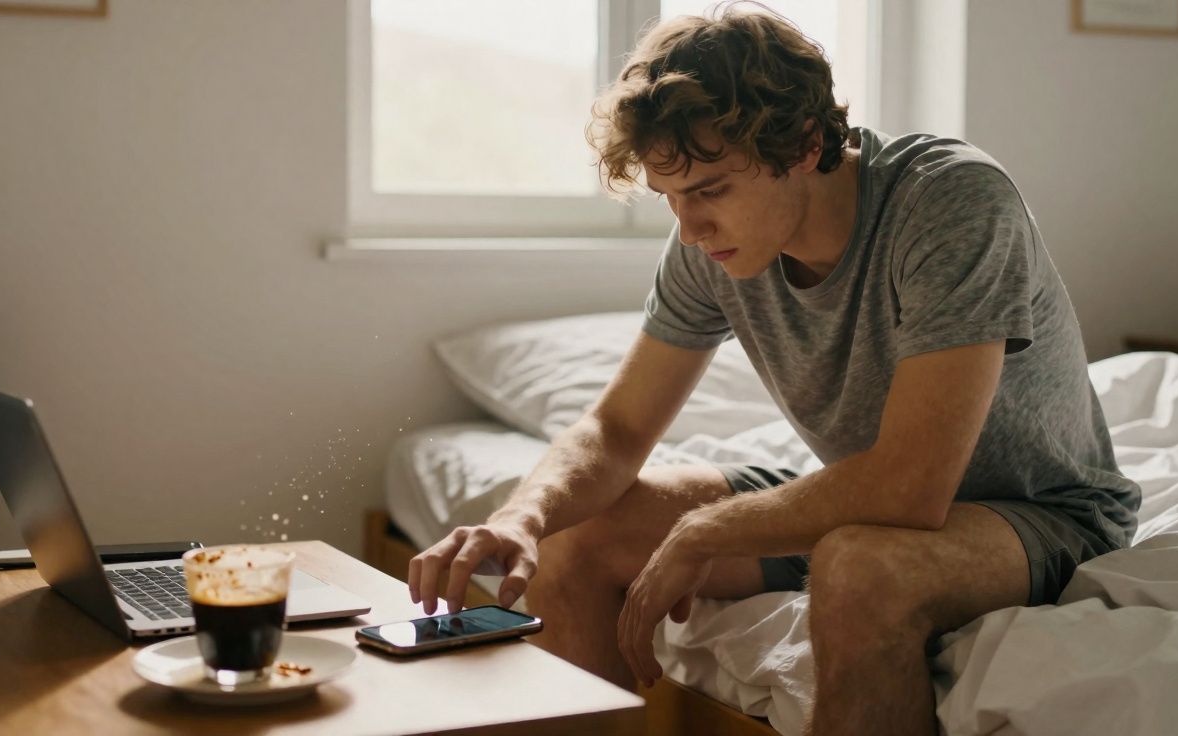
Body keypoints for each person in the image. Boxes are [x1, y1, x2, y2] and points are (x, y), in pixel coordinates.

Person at [407, 3, 1140, 734]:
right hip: (861, 497)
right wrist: (521, 516)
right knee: (577, 533)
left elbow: (911, 487)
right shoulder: (712, 251)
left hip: (1041, 515)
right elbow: (619, 425)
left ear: (804, 142)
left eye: (710, 191)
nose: (690, 230)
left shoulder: (951, 201)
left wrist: (704, 531)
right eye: (670, 199)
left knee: (861, 569)